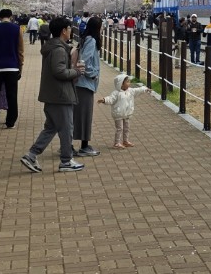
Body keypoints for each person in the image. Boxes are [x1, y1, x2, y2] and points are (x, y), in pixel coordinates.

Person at [20, 16, 86, 173]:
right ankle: (66, 160)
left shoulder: (54, 47)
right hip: (60, 95)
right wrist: (76, 71)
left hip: (53, 94)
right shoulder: (59, 49)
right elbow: (59, 71)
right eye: (69, 29)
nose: (71, 32)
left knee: (51, 127)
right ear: (64, 31)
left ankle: (32, 154)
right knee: (66, 129)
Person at [0, 9, 25, 129]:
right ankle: (10, 122)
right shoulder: (17, 29)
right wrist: (20, 67)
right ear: (11, 16)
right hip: (12, 67)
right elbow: (20, 51)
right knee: (12, 95)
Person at [74, 17, 102, 157]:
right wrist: (92, 74)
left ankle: (68, 145)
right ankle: (84, 146)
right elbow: (83, 60)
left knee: (78, 115)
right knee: (85, 115)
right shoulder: (91, 40)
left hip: (81, 83)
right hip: (85, 83)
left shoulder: (85, 38)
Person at [98, 73, 149, 148]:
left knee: (126, 128)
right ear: (121, 84)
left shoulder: (130, 91)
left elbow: (138, 90)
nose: (129, 83)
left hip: (127, 113)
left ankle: (125, 141)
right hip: (118, 114)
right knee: (120, 128)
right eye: (127, 82)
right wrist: (104, 100)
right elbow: (110, 99)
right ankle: (117, 143)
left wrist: (145, 89)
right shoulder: (116, 93)